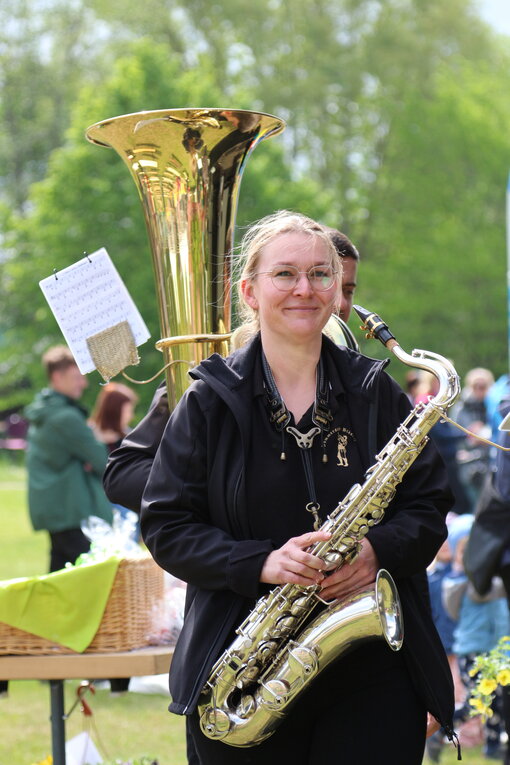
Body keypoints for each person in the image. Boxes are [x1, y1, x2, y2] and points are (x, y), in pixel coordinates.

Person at [136, 210, 455, 765]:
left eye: (320, 274)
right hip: (244, 673)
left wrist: (377, 550)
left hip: (373, 675)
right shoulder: (207, 402)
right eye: (284, 274)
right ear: (250, 291)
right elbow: (166, 526)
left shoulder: (377, 394)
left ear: (338, 290)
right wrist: (260, 562)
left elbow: (427, 509)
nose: (304, 289)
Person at [103, 224, 361, 512]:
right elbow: (123, 474)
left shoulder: (360, 380)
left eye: (326, 279)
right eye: (287, 275)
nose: (337, 302)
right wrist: (219, 494)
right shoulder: (215, 375)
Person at [25, 346, 113, 572]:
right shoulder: (65, 417)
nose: (83, 384)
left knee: (60, 577)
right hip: (72, 511)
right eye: (77, 378)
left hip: (56, 508)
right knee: (91, 577)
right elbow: (102, 461)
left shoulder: (45, 410)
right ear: (57, 376)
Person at [440, 514, 510, 762]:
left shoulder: (479, 582)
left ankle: (493, 746)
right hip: (477, 650)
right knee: (477, 701)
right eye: (464, 548)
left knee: (496, 703)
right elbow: (495, 605)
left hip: (492, 649)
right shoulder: (470, 584)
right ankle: (441, 727)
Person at [454, 368, 494, 510]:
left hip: (490, 463)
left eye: (483, 386)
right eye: (475, 386)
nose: (479, 390)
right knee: (477, 509)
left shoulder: (493, 405)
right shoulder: (461, 407)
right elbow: (457, 435)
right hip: (470, 466)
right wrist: (473, 436)